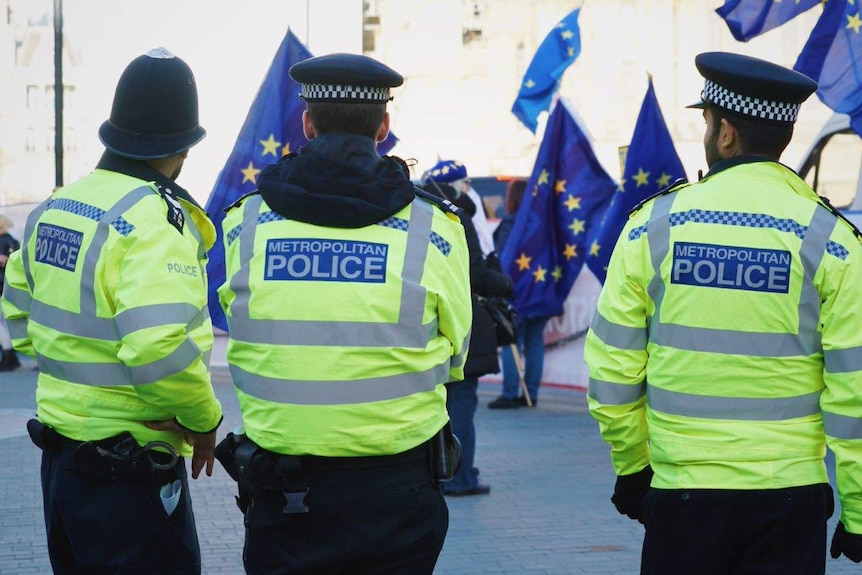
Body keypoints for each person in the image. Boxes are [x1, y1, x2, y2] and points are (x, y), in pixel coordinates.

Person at [584, 51, 862, 574]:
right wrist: (861, 511)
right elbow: (856, 392)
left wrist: (632, 465)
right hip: (789, 497)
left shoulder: (654, 226)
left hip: (681, 495)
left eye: (708, 122)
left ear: (727, 133)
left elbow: (612, 369)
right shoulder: (833, 241)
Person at [215, 53, 472, 575]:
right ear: (384, 127)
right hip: (396, 493)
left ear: (307, 123)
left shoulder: (246, 223)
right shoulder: (436, 226)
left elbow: (233, 322)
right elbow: (457, 352)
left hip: (285, 493)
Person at [0, 48, 223, 574]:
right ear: (184, 147)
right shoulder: (153, 221)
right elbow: (160, 347)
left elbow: (20, 315)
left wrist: (73, 378)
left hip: (62, 461)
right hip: (132, 467)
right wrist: (202, 419)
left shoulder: (56, 206)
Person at [421, 179, 513, 496]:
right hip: (462, 323)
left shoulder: (417, 218)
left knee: (443, 404)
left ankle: (450, 472)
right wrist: (505, 283)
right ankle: (460, 476)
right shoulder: (457, 219)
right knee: (461, 404)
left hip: (426, 325)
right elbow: (475, 273)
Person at [488, 178, 552, 409]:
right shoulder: (543, 225)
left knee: (512, 342)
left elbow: (502, 258)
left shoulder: (510, 224)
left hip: (517, 293)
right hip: (541, 292)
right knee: (535, 343)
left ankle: (510, 393)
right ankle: (530, 395)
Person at [423, 159, 496, 256]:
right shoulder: (460, 215)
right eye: (466, 182)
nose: (469, 188)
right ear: (451, 185)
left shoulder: (424, 209)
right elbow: (474, 263)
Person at [0, 214, 21, 371]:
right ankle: (10, 354)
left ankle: (8, 354)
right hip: (8, 285)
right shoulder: (11, 241)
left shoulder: (4, 241)